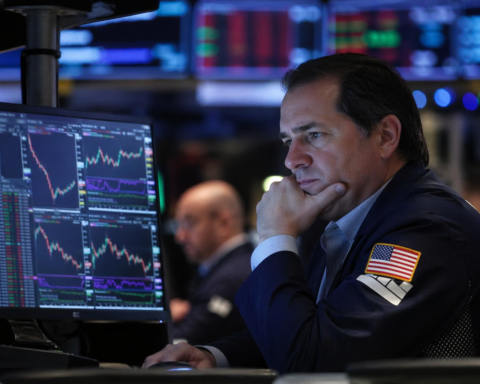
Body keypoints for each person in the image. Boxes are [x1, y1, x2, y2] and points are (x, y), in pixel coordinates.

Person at [144, 53, 480, 372]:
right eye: (289, 140)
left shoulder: (426, 228)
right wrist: (215, 357)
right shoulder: (345, 225)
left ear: (385, 136)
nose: (293, 160)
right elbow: (307, 329)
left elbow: (315, 361)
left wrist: (275, 236)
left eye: (314, 135)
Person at [169, 180, 253, 345]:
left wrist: (167, 320)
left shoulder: (229, 279)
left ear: (223, 223)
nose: (180, 237)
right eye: (178, 225)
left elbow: (186, 343)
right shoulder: (239, 264)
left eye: (189, 223)